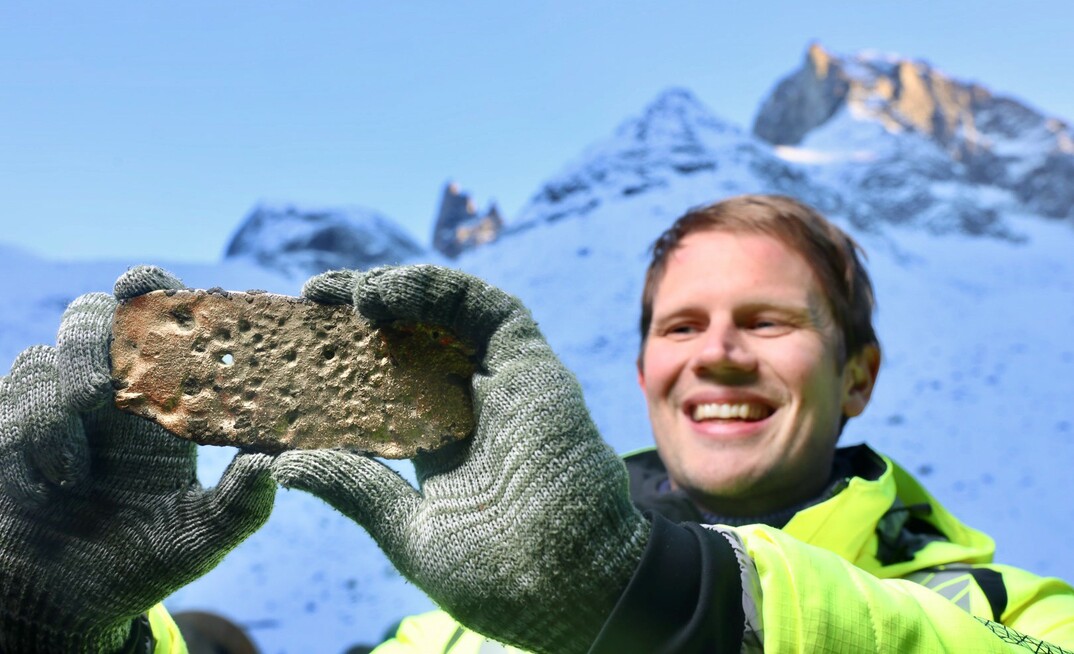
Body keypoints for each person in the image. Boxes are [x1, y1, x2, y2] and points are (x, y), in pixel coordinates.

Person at [271, 195, 1074, 652]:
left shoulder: (1003, 612)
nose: (717, 355)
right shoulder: (467, 624)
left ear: (856, 376)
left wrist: (667, 595)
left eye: (767, 322)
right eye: (681, 328)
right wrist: (142, 631)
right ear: (646, 375)